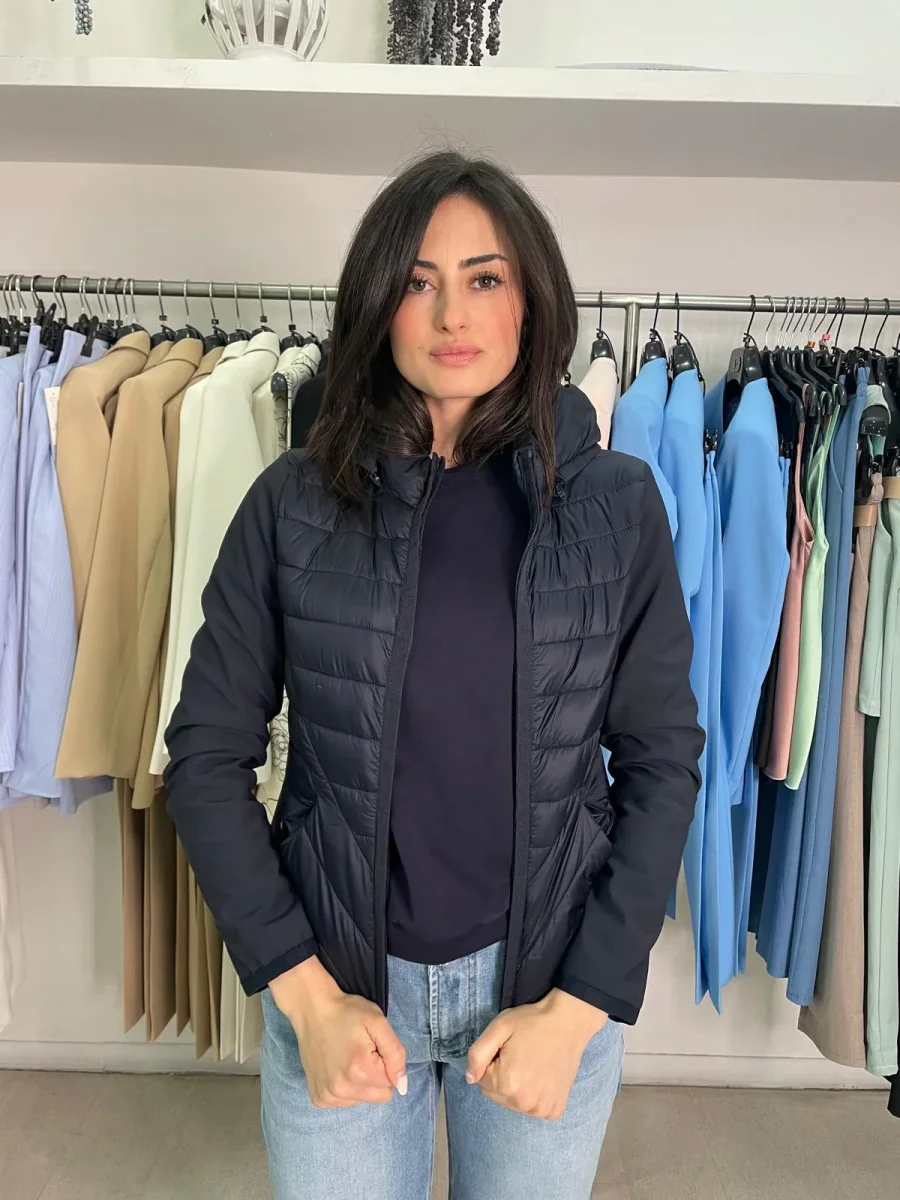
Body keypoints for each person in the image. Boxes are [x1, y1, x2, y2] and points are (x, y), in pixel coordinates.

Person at [164, 150, 704, 1200]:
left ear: (531, 300)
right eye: (418, 281)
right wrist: (306, 997)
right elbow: (205, 756)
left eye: (484, 277)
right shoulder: (292, 505)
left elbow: (662, 762)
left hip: (544, 989)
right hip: (344, 989)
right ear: (379, 305)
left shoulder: (617, 507)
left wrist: (580, 1008)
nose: (453, 313)